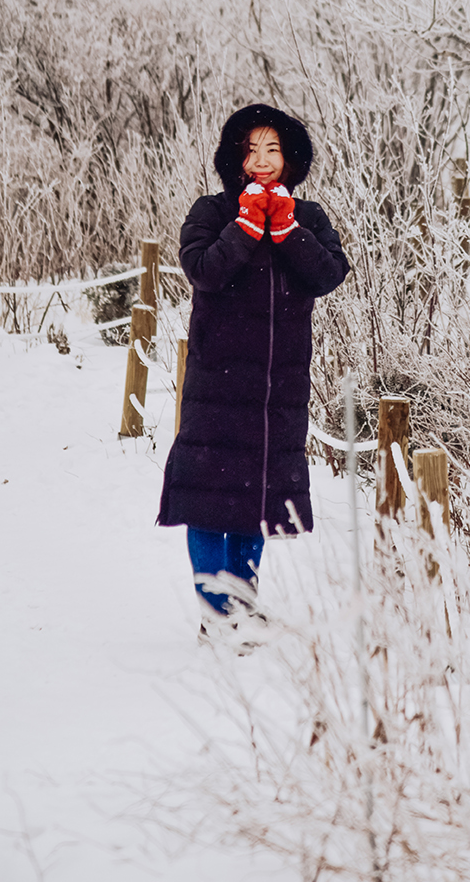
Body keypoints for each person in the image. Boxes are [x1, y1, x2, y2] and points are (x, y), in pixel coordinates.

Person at [157, 103, 350, 635]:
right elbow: (202, 270)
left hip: (277, 387)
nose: (262, 161)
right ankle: (214, 612)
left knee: (257, 495)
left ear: (290, 158)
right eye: (251, 150)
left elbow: (329, 273)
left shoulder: (308, 218)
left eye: (273, 150)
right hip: (217, 382)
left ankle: (244, 602)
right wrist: (245, 227)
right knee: (207, 494)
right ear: (236, 160)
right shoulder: (212, 212)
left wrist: (288, 231)